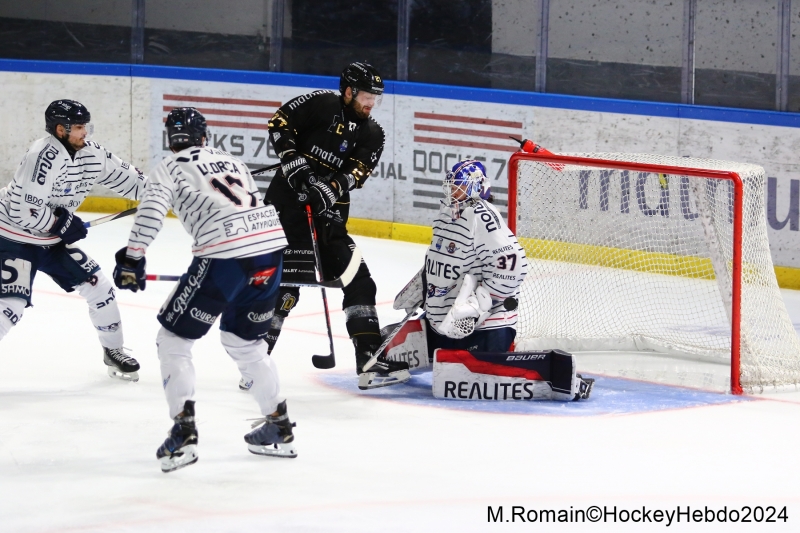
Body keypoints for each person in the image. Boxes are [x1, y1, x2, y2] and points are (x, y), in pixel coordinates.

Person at [113, 107, 297, 472]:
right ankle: (278, 425)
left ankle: (184, 434)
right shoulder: (233, 162)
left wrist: (132, 258)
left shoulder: (168, 167)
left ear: (171, 139)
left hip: (224, 256)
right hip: (271, 251)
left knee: (173, 341)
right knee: (245, 343)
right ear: (204, 134)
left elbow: (150, 212)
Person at [250, 61, 409, 390]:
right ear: (349, 91)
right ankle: (254, 361)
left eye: (375, 98)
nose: (370, 103)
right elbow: (280, 123)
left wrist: (331, 188)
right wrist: (292, 159)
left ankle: (368, 359)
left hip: (329, 217)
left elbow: (357, 173)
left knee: (360, 280)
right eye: (366, 95)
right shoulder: (320, 103)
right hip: (286, 208)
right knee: (286, 284)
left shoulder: (373, 133)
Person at [390, 159, 594, 401]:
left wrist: (477, 307)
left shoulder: (483, 217)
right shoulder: (447, 213)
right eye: (451, 186)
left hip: (484, 328)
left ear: (476, 187)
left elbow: (513, 264)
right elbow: (439, 257)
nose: (452, 192)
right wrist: (421, 286)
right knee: (394, 353)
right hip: (445, 320)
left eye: (459, 187)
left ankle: (559, 378)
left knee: (470, 374)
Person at [0, 99, 146, 381]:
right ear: (59, 129)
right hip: (11, 237)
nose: (85, 132)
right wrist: (60, 223)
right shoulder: (42, 155)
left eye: (84, 126)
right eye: (79, 127)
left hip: (50, 241)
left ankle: (113, 351)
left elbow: (131, 180)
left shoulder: (92, 154)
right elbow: (23, 210)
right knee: (11, 306)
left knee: (98, 286)